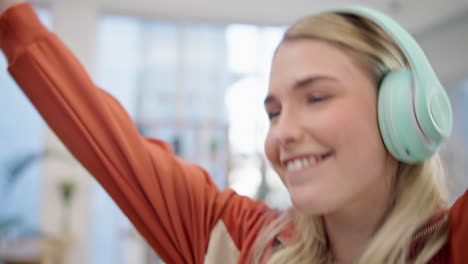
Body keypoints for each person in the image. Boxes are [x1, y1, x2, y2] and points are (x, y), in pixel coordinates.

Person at [0, 0, 466, 263]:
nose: (283, 131)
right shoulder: (242, 242)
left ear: (403, 112)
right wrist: (14, 20)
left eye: (316, 97)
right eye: (273, 111)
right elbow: (109, 142)